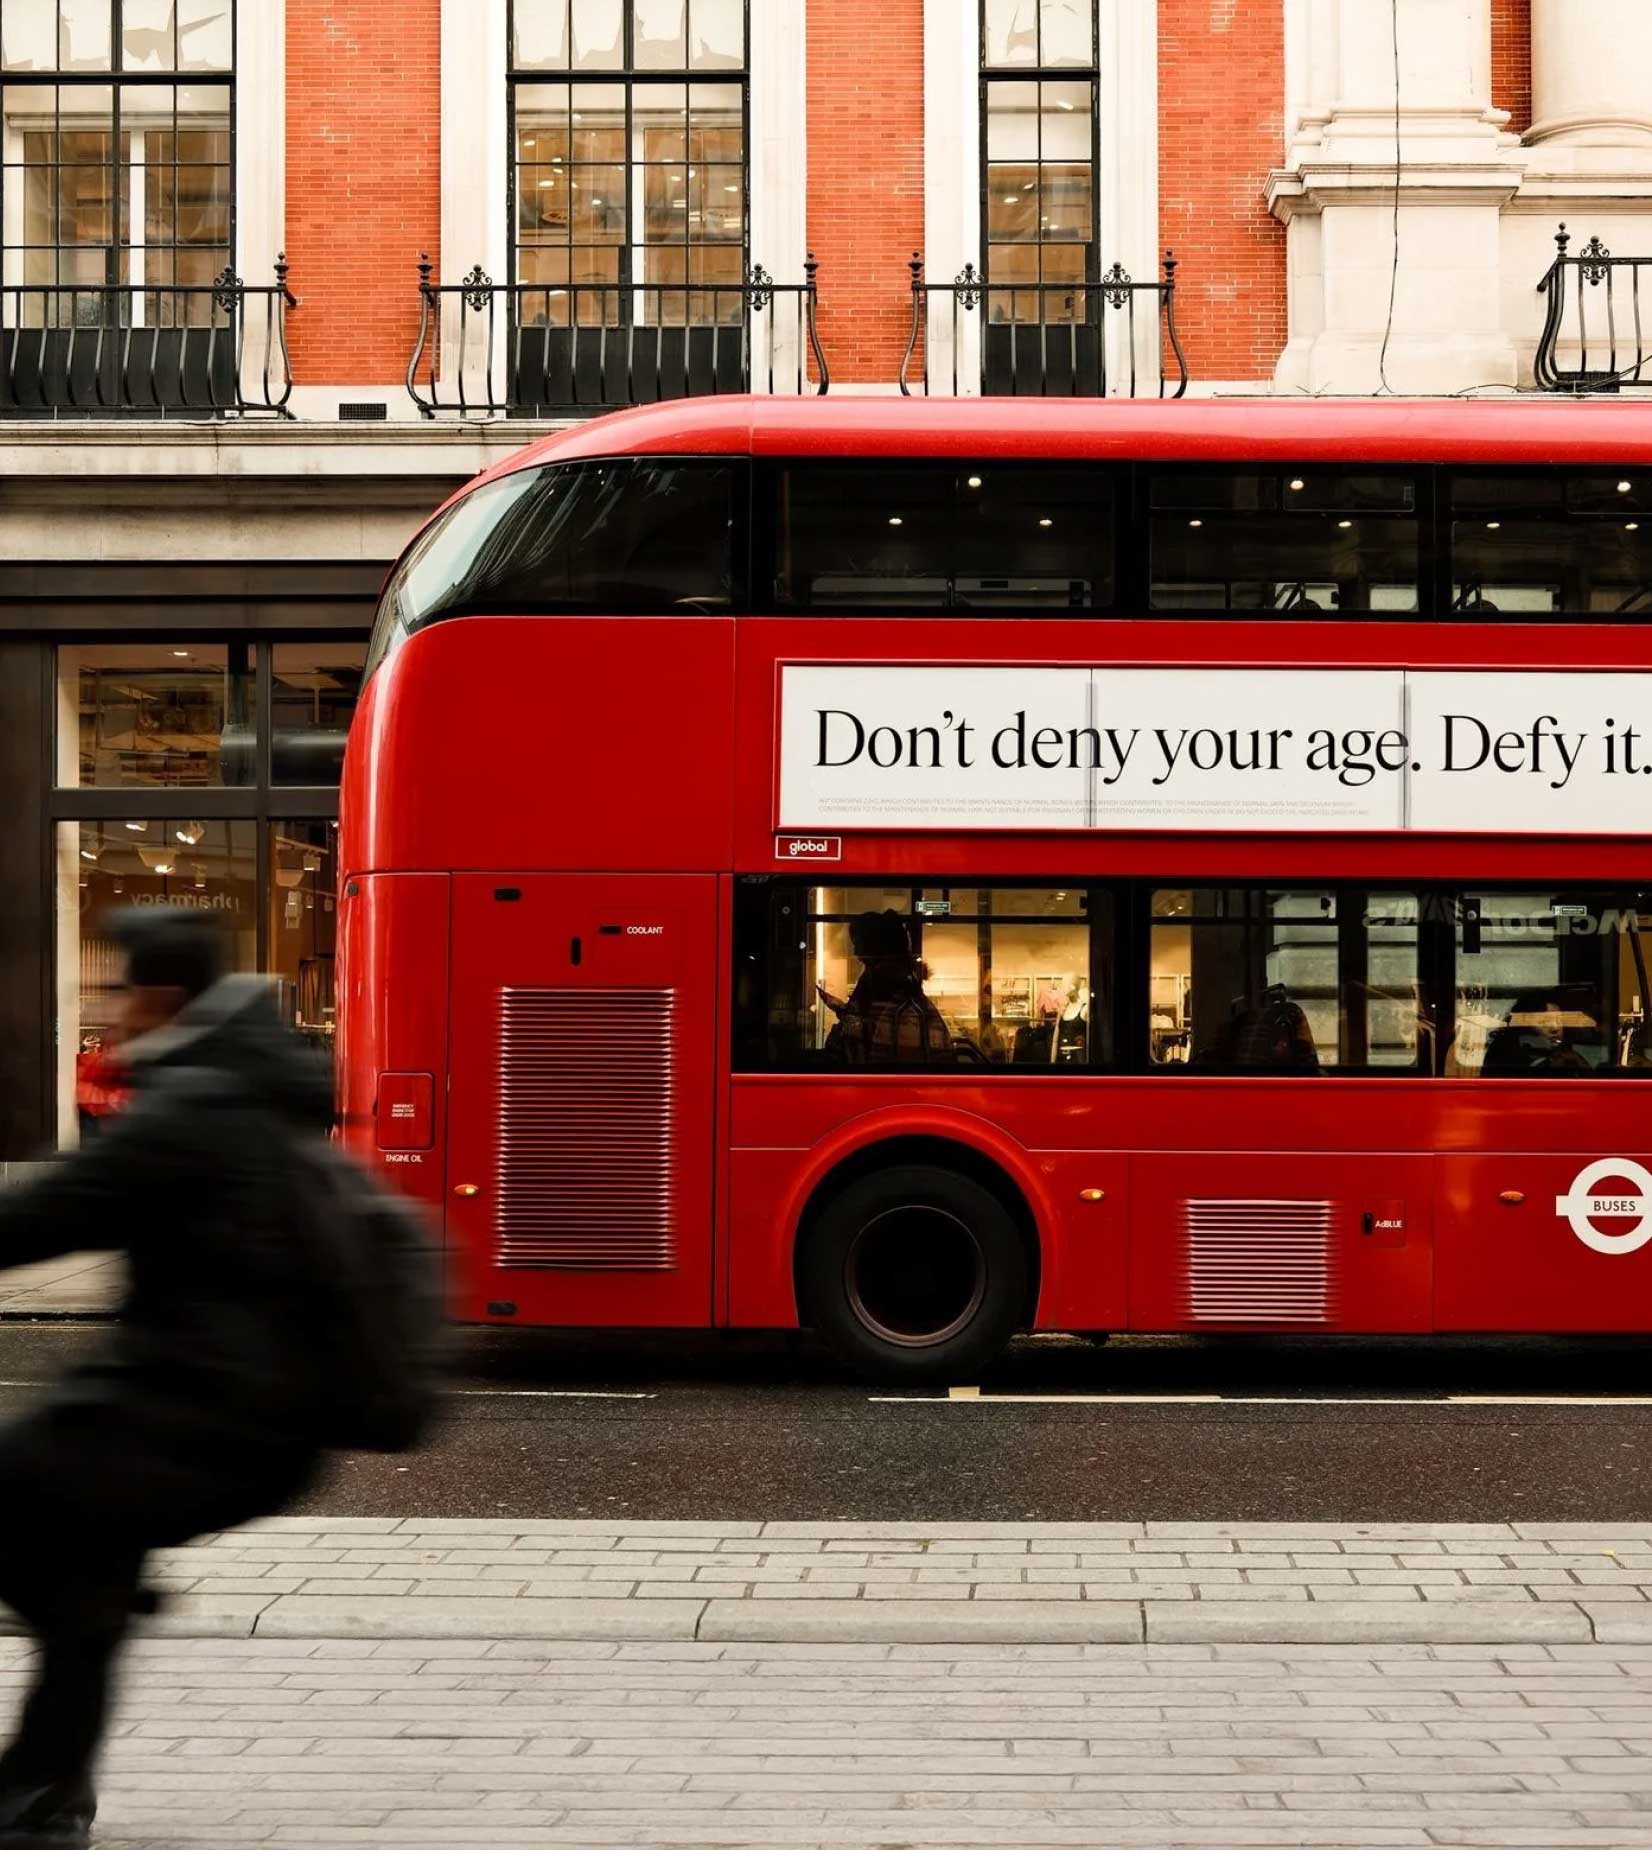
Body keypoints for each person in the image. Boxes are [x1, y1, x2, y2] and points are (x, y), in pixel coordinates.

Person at [0, 908, 345, 1846]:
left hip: (197, 1415)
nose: (113, 1006)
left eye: (118, 986)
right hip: (242, 1415)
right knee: (80, 1569)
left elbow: (43, 1219)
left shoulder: (195, 1109)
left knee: (47, 1543)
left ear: (158, 997)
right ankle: (38, 1801)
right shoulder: (240, 1085)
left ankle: (43, 1790)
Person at [820, 910, 955, 1067]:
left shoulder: (884, 987)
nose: (856, 952)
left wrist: (846, 1022)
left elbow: (876, 1035)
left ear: (874, 945)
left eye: (858, 943)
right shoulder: (892, 984)